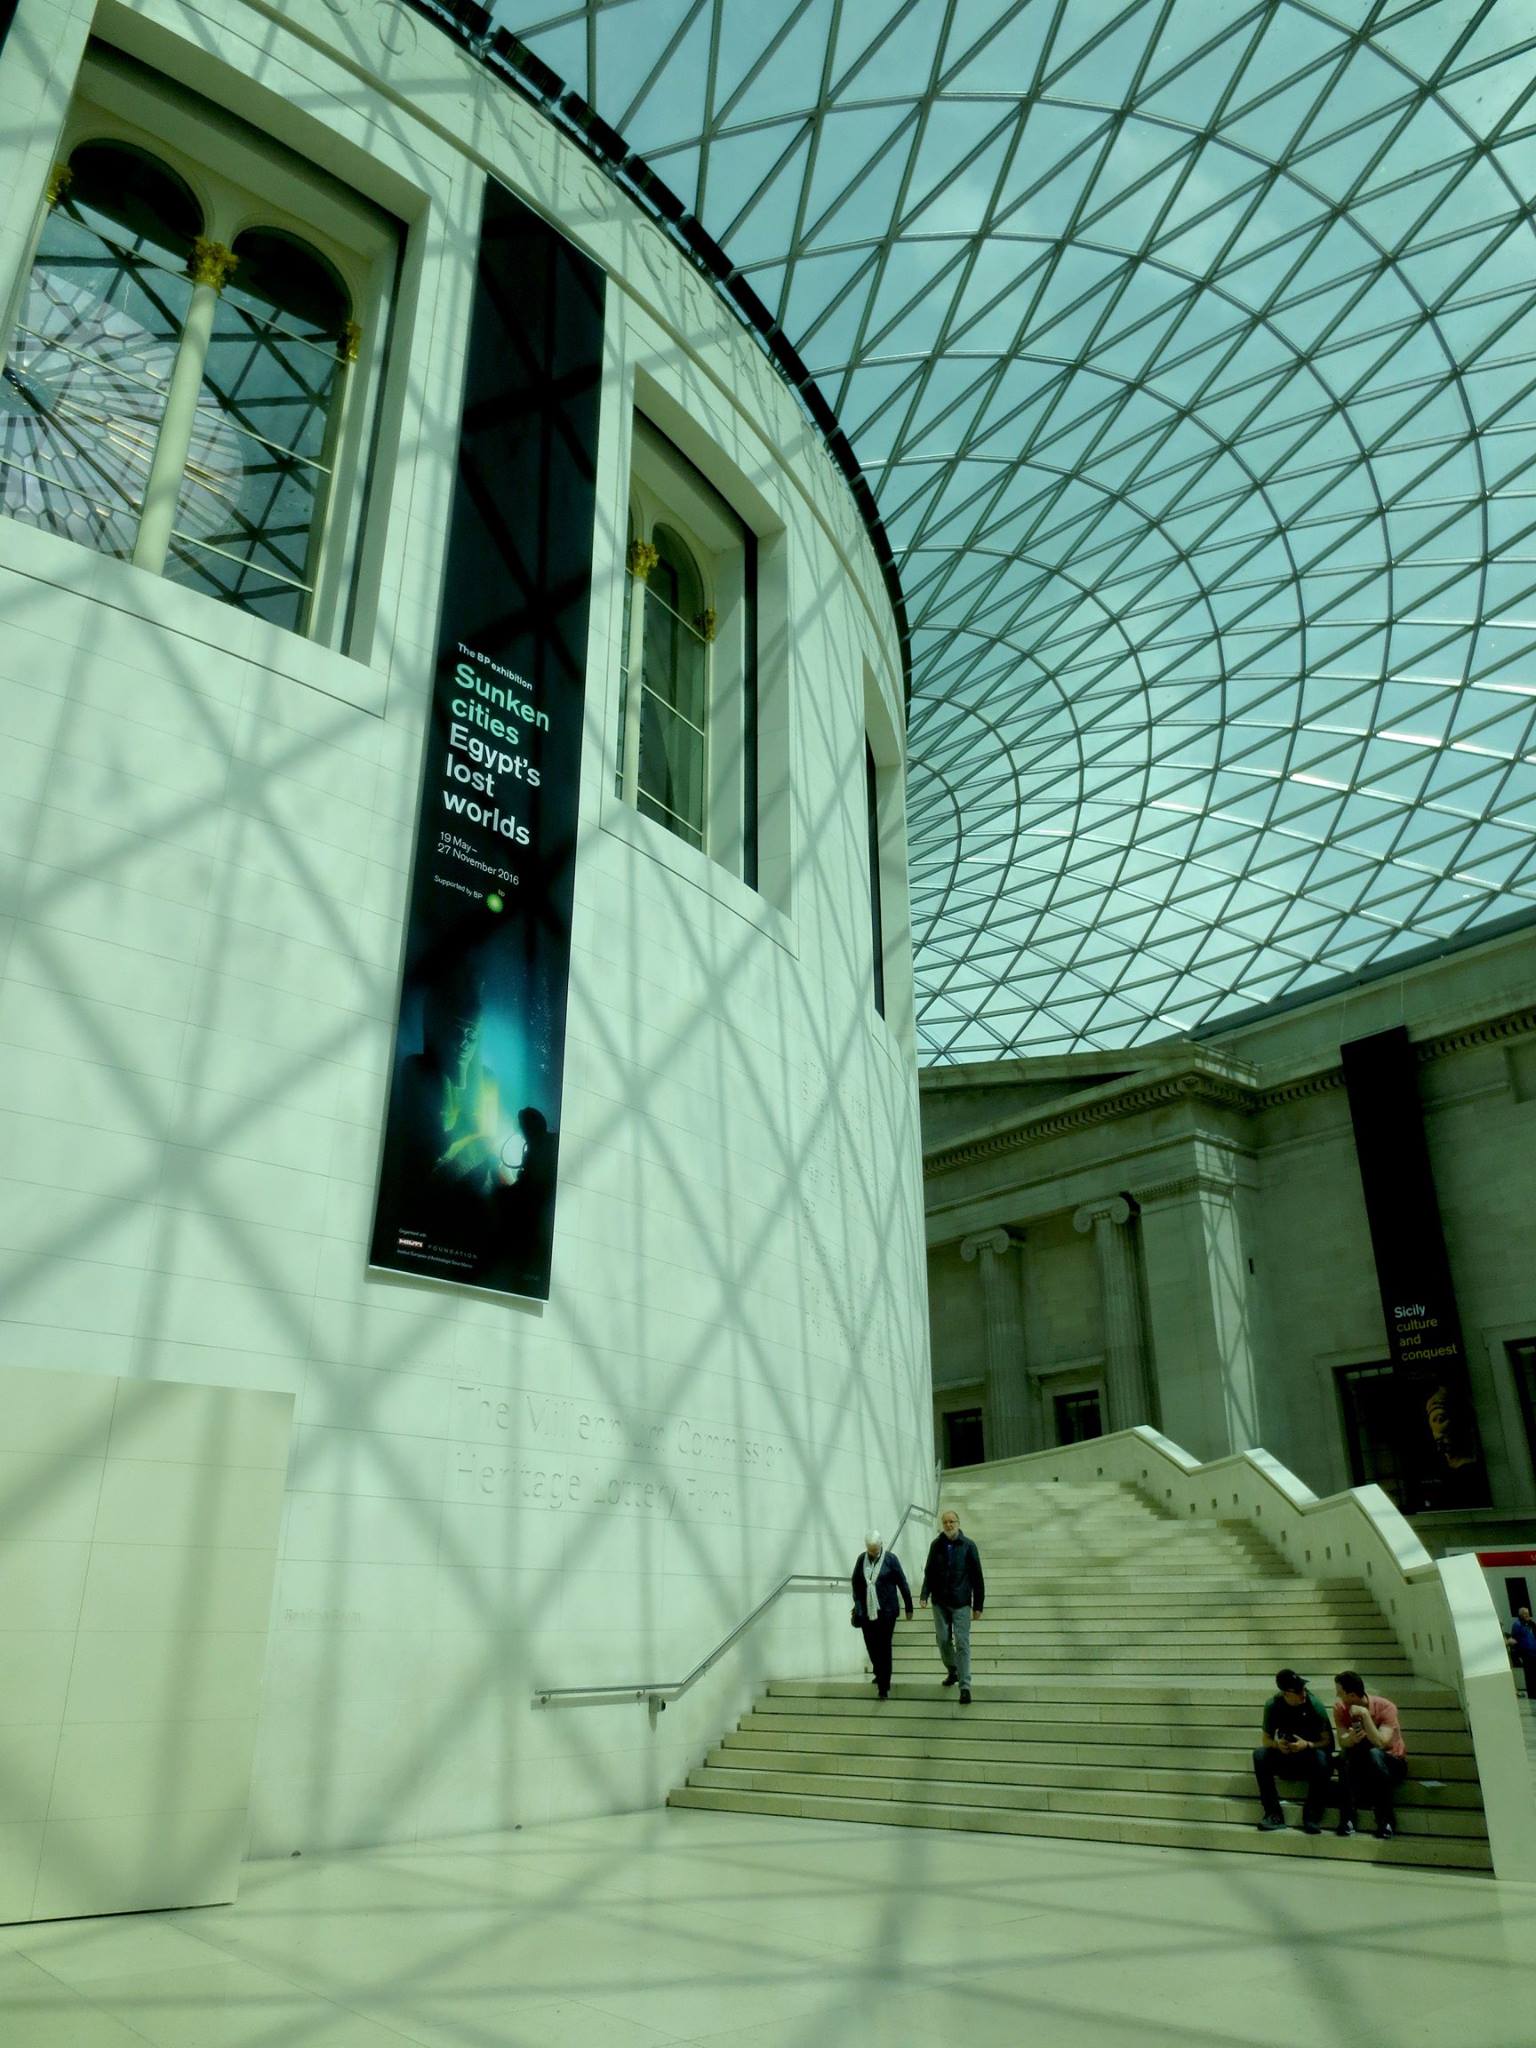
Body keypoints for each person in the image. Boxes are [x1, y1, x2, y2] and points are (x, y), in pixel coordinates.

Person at [1253, 1667, 1334, 1833]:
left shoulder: (1314, 1704)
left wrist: (1308, 1744)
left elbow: (1328, 1743)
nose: (1302, 1693)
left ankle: (1312, 1815)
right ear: (1285, 1693)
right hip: (1287, 1756)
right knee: (1259, 1755)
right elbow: (1265, 1739)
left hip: (1310, 1757)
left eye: (1303, 1688)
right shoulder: (1273, 1705)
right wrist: (1277, 1745)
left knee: (1322, 1757)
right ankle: (1273, 1813)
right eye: (1297, 1691)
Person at [1332, 1669, 1407, 1839]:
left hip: (1391, 1762)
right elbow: (1342, 1740)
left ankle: (1386, 1820)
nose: (1338, 1696)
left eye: (1340, 1693)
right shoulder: (1340, 1708)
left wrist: (1365, 1716)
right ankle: (1347, 1818)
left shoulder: (1386, 1707)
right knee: (1343, 1758)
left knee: (1374, 1754)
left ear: (1352, 1695)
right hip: (1362, 1762)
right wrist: (1350, 1738)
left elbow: (1382, 1742)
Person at [920, 1507, 984, 1705]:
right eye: (945, 1522)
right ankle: (952, 1670)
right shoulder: (936, 1545)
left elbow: (977, 1577)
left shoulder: (968, 1545)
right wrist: (924, 1594)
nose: (948, 1525)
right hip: (939, 1602)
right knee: (943, 1639)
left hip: (961, 1602)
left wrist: (978, 1605)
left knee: (962, 1643)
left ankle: (965, 1687)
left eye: (952, 1522)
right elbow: (929, 1572)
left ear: (958, 1523)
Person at [850, 1531, 913, 1701]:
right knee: (871, 1645)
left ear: (881, 1545)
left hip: (887, 1611)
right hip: (866, 1612)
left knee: (884, 1647)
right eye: (870, 1550)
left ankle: (884, 1686)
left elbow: (902, 1582)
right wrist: (857, 1605)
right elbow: (855, 1584)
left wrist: (909, 1606)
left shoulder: (891, 1559)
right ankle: (879, 1671)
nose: (872, 1553)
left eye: (875, 1550)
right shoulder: (861, 1559)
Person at [1508, 1607, 1536, 1700]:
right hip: (1526, 1653)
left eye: (1527, 1613)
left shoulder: (1529, 1625)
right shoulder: (1517, 1625)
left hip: (1534, 1652)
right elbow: (1514, 1639)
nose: (1527, 1615)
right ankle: (1532, 1694)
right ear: (1520, 1615)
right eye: (1524, 1613)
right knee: (1530, 1674)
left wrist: (1532, 1624)